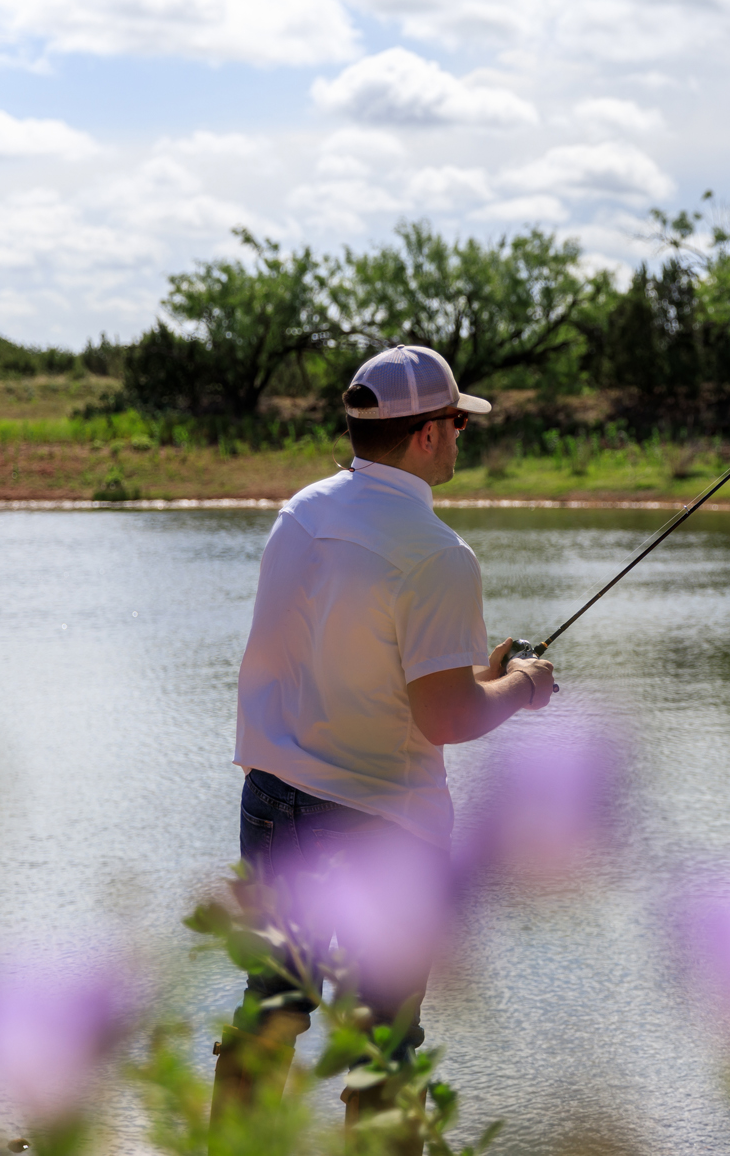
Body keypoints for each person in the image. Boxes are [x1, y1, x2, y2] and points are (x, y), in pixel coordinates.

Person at [210, 344, 555, 1145]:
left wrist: (476, 672)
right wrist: (523, 687)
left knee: (273, 1004)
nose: (462, 437)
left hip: (274, 797)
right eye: (457, 423)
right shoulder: (438, 554)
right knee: (383, 1039)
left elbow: (347, 659)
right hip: (382, 825)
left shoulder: (302, 511)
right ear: (429, 433)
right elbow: (445, 718)